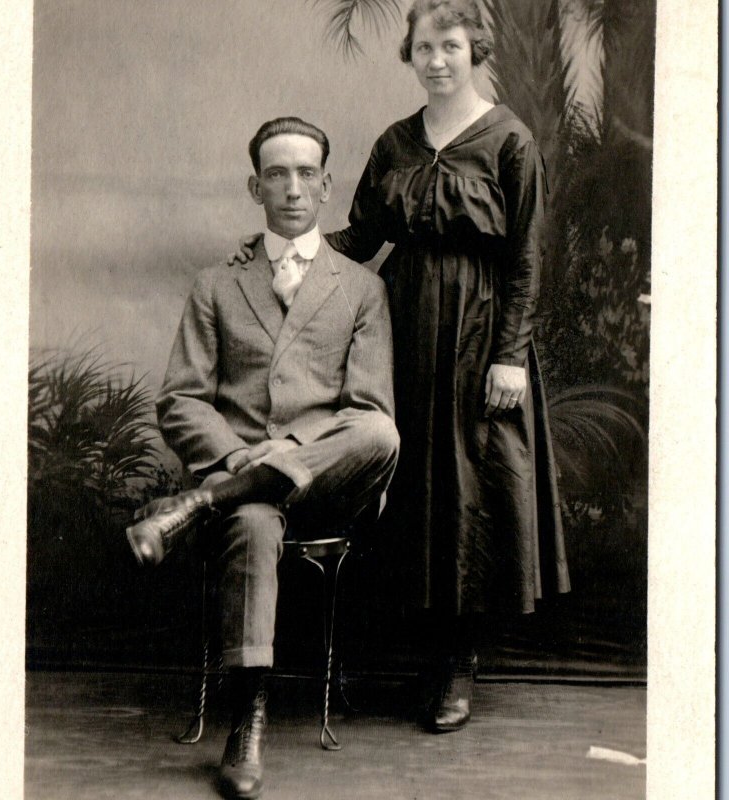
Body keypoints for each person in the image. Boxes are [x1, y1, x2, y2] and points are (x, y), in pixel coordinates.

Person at [231, 0, 570, 735]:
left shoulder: (510, 140)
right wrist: (281, 255)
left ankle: (458, 665)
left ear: (475, 49)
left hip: (481, 335)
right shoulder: (395, 143)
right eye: (424, 47)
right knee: (409, 484)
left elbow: (528, 261)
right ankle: (408, 656)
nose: (438, 60)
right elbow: (362, 236)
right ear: (410, 56)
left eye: (451, 45)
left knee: (471, 490)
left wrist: (510, 356)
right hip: (402, 328)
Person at [125, 117, 399, 800]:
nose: (293, 188)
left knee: (383, 436)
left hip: (331, 479)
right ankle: (247, 720)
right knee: (250, 517)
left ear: (328, 184)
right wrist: (239, 457)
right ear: (255, 186)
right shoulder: (216, 284)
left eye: (307, 173)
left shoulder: (362, 288)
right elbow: (181, 402)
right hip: (241, 479)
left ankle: (193, 506)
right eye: (277, 173)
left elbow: (367, 410)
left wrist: (289, 450)